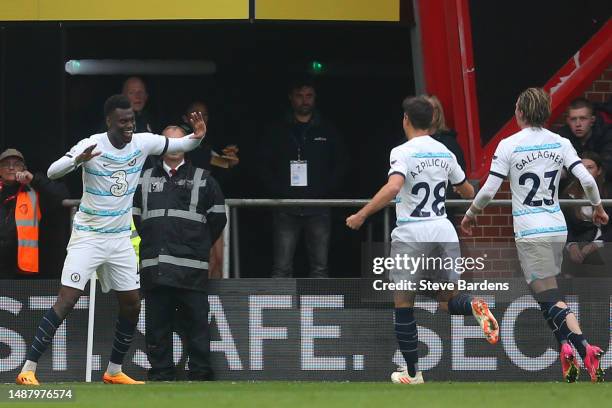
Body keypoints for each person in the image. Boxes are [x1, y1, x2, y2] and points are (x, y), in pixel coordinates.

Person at [15, 94, 206, 386]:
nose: (129, 125)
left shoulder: (143, 142)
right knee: (67, 299)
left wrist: (198, 136)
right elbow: (53, 172)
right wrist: (78, 161)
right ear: (109, 122)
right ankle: (28, 368)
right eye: (123, 121)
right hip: (88, 236)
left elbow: (180, 145)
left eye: (131, 120)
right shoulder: (91, 144)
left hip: (119, 239)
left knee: (131, 304)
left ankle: (113, 370)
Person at [346, 95, 499, 385]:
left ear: (406, 120)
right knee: (447, 300)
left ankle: (413, 372)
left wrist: (362, 214)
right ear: (432, 121)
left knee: (404, 302)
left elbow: (394, 187)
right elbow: (467, 191)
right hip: (442, 230)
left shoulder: (401, 151)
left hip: (412, 231)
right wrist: (474, 212)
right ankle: (474, 304)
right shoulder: (445, 152)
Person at [461, 88, 607, 383]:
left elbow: (489, 189)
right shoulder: (561, 142)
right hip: (556, 226)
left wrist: (472, 214)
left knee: (550, 296)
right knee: (544, 294)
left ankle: (583, 347)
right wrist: (598, 207)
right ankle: (565, 350)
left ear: (521, 113)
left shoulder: (509, 144)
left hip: (530, 228)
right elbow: (588, 180)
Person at [133, 125, 226, 381]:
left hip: (191, 268)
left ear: (187, 144)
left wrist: (196, 246)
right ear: (161, 145)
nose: (174, 147)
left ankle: (200, 373)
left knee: (197, 325)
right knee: (157, 326)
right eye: (168, 142)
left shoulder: (204, 178)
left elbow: (218, 220)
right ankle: (161, 373)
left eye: (179, 141)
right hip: (156, 266)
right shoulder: (143, 179)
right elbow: (137, 219)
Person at [259, 78, 349, 278]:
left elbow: (341, 163)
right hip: (285, 206)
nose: (304, 100)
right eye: (300, 96)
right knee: (281, 268)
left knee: (320, 268)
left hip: (318, 206)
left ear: (315, 98)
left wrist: (325, 190)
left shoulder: (327, 129)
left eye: (309, 95)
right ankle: (279, 308)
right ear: (291, 98)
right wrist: (278, 191)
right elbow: (264, 163)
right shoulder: (277, 129)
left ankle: (320, 309)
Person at [179, 100, 238, 278]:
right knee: (200, 260)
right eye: (195, 114)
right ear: (185, 118)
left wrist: (230, 162)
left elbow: (221, 169)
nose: (200, 118)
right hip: (186, 208)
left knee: (218, 260)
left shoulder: (208, 143)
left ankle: (214, 303)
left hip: (209, 206)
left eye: (203, 114)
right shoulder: (179, 139)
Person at [0, 148, 68, 278]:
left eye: (16, 164)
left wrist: (33, 179)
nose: (11, 168)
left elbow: (61, 195)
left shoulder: (33, 188)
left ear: (24, 168)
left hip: (23, 266)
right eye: (5, 164)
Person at [561, 151, 612, 273]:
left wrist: (597, 243)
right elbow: (565, 224)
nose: (586, 172)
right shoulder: (568, 194)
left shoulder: (608, 193)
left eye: (590, 168)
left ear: (599, 171)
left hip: (605, 242)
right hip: (579, 241)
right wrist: (572, 245)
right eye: (582, 168)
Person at [558, 97, 612, 179]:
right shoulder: (561, 137)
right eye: (573, 119)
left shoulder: (607, 134)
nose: (578, 124)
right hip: (572, 184)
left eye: (583, 118)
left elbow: (607, 166)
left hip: (601, 183)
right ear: (568, 121)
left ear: (592, 120)